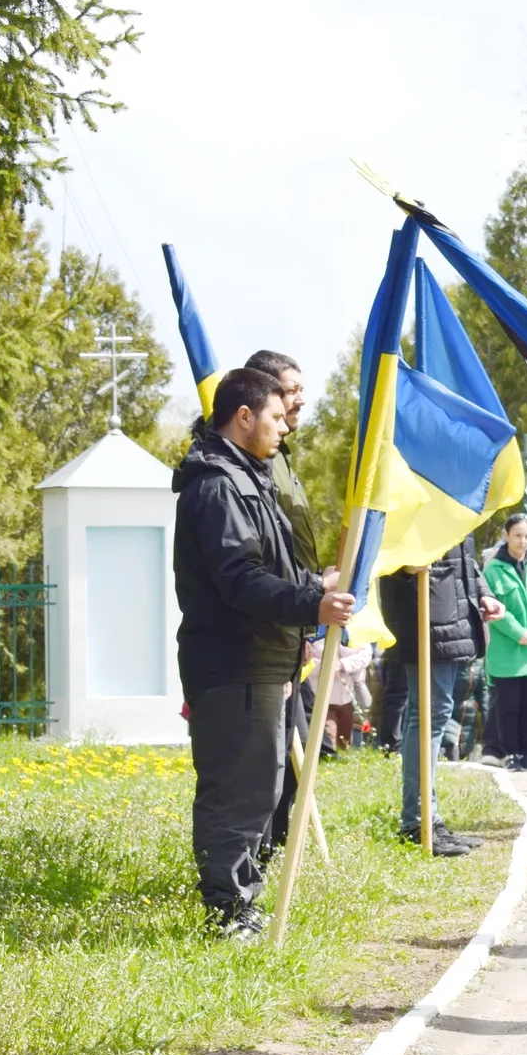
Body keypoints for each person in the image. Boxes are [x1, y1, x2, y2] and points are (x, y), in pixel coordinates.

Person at [173, 367, 352, 939]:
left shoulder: (248, 476)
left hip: (263, 661)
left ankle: (240, 901)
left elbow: (270, 564)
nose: (284, 427)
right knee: (237, 793)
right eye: (276, 417)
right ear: (244, 416)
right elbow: (240, 579)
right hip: (234, 663)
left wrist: (313, 585)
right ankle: (226, 915)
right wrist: (311, 604)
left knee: (262, 790)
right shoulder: (217, 485)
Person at [380, 535, 504, 855]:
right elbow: (390, 541)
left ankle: (426, 819)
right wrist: (406, 565)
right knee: (428, 713)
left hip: (446, 610)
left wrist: (483, 593)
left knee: (433, 712)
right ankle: (417, 821)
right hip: (426, 608)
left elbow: (464, 560)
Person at [241, 351, 322, 841]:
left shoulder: (281, 456)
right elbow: (267, 556)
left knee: (291, 756)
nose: (300, 400)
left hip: (294, 620)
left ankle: (268, 857)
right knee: (269, 760)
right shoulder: (256, 464)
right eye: (291, 391)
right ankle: (256, 861)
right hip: (270, 628)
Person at [483, 513, 527, 770]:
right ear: (506, 536)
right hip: (507, 651)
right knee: (508, 707)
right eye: (517, 536)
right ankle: (509, 754)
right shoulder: (492, 569)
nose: (522, 541)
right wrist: (518, 633)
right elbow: (492, 607)